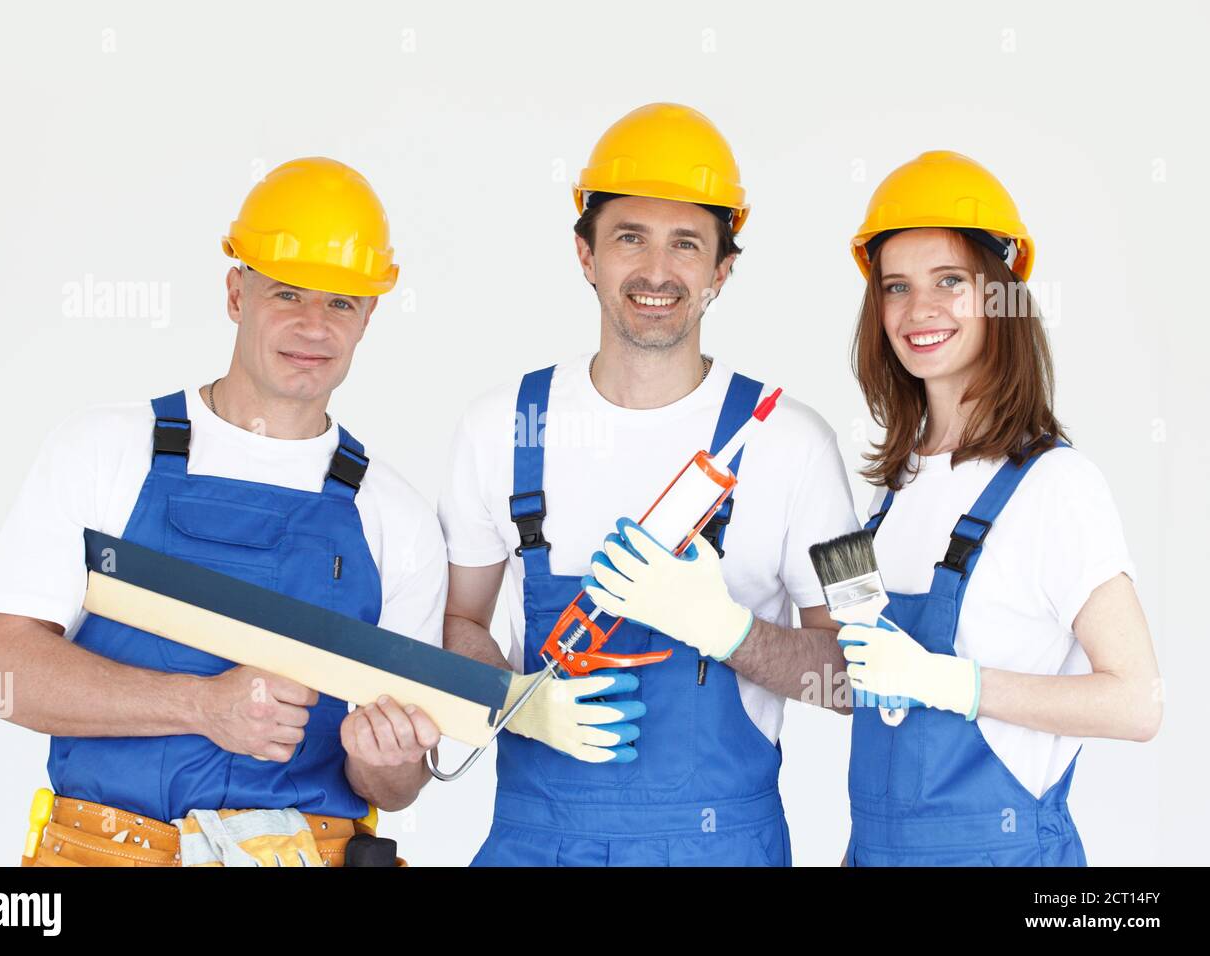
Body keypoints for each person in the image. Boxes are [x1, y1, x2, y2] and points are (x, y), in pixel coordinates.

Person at [0, 157, 445, 866]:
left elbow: (397, 788)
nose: (313, 325)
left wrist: (388, 759)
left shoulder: (395, 517)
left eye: (341, 301)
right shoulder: (103, 451)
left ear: (369, 315)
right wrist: (200, 705)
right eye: (288, 293)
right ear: (235, 293)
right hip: (106, 853)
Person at [440, 103, 859, 866]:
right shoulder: (499, 425)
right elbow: (456, 625)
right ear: (585, 254)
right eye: (630, 237)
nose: (658, 272)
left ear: (722, 271)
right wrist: (519, 707)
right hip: (538, 843)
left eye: (687, 244)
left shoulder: (796, 442)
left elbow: (854, 678)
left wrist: (731, 633)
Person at [835, 150, 1162, 865]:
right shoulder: (891, 492)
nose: (919, 310)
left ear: (999, 295)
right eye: (896, 286)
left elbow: (1138, 704)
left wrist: (949, 681)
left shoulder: (1056, 488)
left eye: (949, 281)